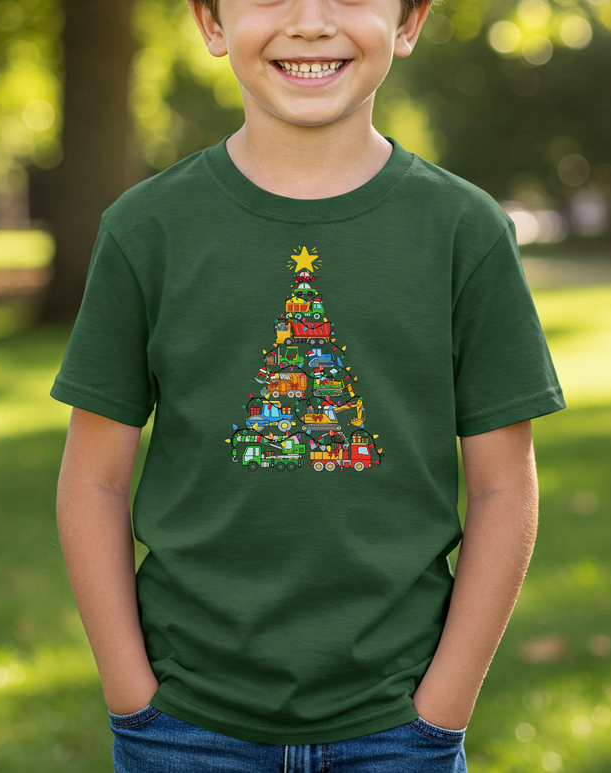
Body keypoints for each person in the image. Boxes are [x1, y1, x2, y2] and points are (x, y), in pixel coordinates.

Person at [50, 0, 567, 769]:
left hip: (398, 728)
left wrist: (440, 709)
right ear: (211, 20)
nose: (310, 21)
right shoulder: (145, 229)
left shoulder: (466, 231)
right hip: (185, 728)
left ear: (409, 20)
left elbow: (503, 488)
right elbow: (93, 479)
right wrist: (133, 694)